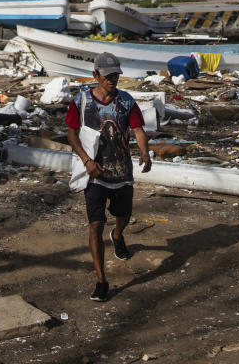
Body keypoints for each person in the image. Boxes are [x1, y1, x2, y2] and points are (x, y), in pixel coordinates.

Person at [66, 52, 151, 302]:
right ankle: (101, 280)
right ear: (96, 75)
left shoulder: (126, 101)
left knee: (123, 215)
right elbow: (71, 134)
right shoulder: (81, 100)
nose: (112, 80)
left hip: (122, 172)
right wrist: (86, 160)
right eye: (107, 76)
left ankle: (118, 235)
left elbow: (138, 129)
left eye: (115, 75)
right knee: (95, 224)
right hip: (94, 173)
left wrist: (145, 153)